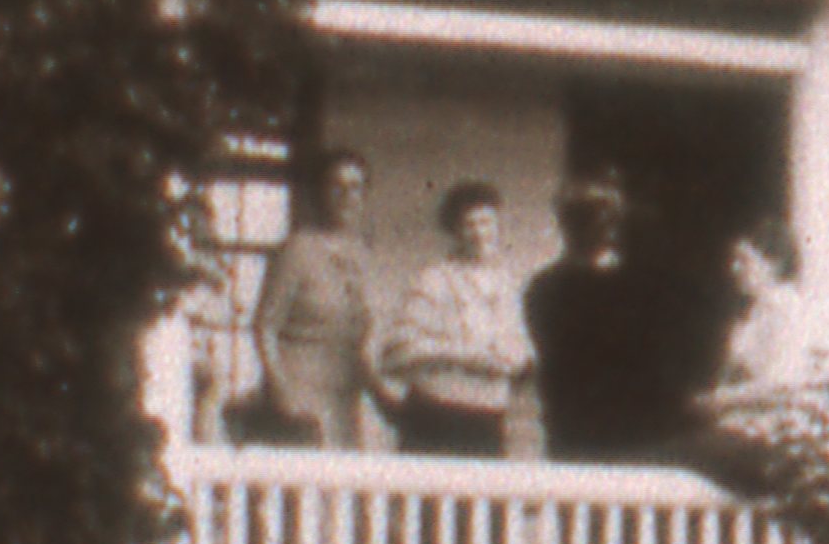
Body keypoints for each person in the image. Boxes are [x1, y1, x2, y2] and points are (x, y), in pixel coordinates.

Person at [376, 179, 536, 455]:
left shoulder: (508, 284)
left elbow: (520, 348)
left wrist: (515, 360)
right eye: (469, 224)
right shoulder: (434, 280)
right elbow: (397, 351)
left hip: (489, 417)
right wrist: (465, 356)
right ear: (454, 230)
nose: (479, 233)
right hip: (438, 414)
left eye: (486, 222)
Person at [522, 172, 666, 460]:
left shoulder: (635, 284)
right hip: (574, 416)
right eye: (594, 220)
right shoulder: (548, 286)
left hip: (629, 419)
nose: (607, 229)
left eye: (610, 220)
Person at [244, 148, 380, 445]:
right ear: (320, 193)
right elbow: (265, 327)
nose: (346, 196)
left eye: (355, 187)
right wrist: (281, 388)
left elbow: (361, 335)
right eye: (336, 186)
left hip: (346, 394)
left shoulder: (363, 254)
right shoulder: (297, 249)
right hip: (300, 388)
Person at [695, 229, 829, 488]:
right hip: (746, 430)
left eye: (745, 260)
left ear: (773, 264)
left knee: (670, 457)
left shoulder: (785, 310)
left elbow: (780, 384)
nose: (735, 268)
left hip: (775, 437)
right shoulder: (756, 313)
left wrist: (718, 400)